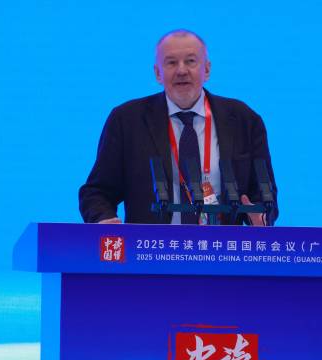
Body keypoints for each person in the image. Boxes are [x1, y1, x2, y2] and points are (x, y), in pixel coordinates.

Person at [79, 29, 277, 225]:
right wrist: (103, 220)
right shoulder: (127, 120)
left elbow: (265, 196)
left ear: (207, 69)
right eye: (171, 63)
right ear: (158, 73)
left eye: (191, 61)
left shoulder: (243, 119)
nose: (181, 71)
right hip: (151, 244)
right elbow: (97, 192)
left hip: (221, 244)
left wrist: (260, 219)